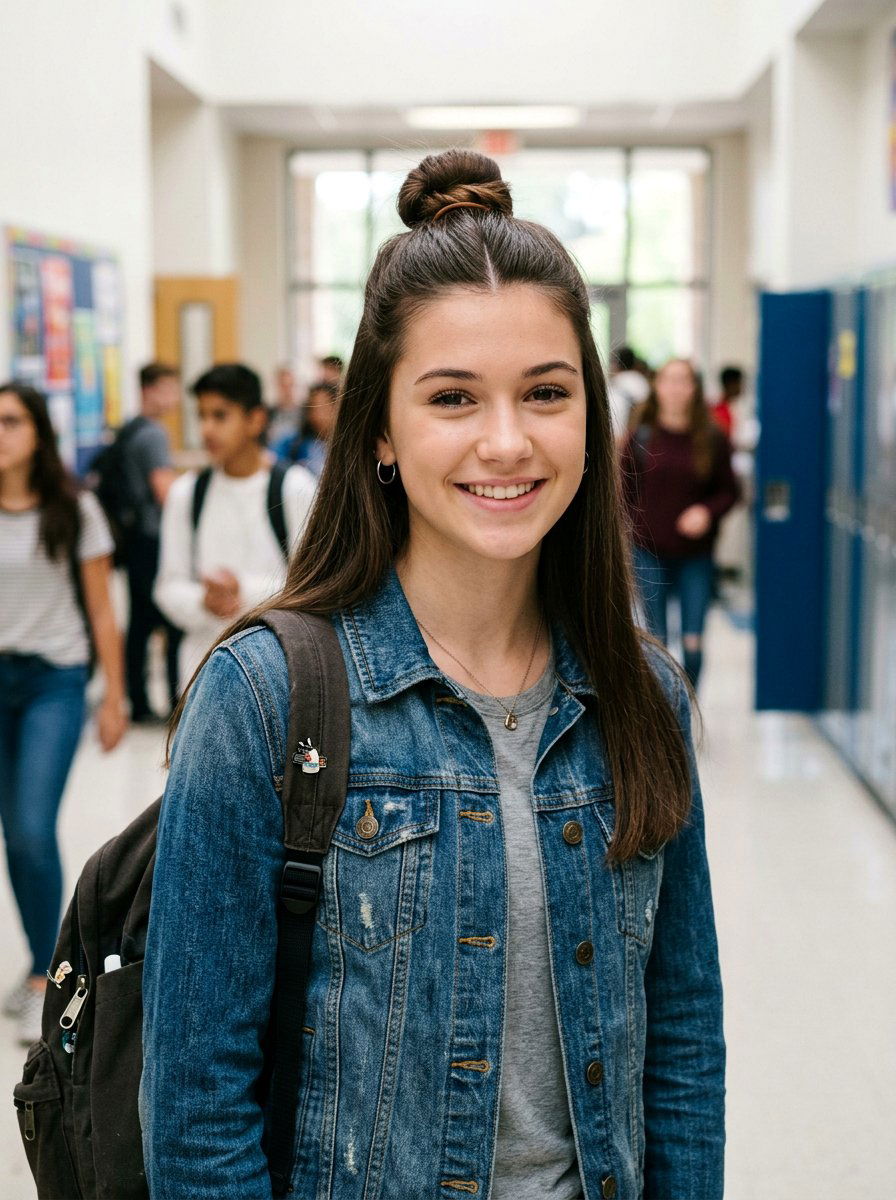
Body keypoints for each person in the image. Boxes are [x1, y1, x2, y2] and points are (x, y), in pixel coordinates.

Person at [141, 151, 725, 1200]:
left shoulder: (644, 697)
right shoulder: (264, 698)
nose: (505, 441)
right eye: (452, 396)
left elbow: (679, 1044)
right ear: (379, 429)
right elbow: (195, 1110)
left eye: (545, 393)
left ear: (590, 417)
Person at [0, 382, 127, 1044]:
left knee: (29, 828)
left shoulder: (75, 508)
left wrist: (115, 696)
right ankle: (34, 969)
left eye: (10, 421)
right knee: (12, 836)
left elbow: (103, 610)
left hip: (53, 680)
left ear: (38, 434)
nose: (0, 433)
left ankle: (50, 979)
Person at [153, 363, 317, 691]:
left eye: (220, 416)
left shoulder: (294, 488)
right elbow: (167, 587)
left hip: (282, 673)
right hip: (202, 674)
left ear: (255, 419)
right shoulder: (187, 494)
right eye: (201, 416)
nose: (207, 429)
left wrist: (242, 592)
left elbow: (315, 585)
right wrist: (204, 601)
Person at [620, 358, 740, 687]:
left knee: (693, 642)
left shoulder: (712, 438)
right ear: (657, 387)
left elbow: (729, 492)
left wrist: (706, 511)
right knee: (657, 642)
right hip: (648, 552)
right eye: (668, 380)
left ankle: (689, 705)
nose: (675, 388)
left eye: (683, 381)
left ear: (693, 389)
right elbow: (623, 495)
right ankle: (663, 711)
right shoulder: (641, 437)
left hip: (695, 555)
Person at [119, 363, 181, 722]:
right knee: (170, 621)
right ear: (150, 390)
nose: (174, 398)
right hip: (154, 538)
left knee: (140, 622)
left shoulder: (130, 429)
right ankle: (176, 700)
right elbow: (164, 492)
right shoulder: (154, 434)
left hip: (134, 539)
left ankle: (139, 703)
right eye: (169, 389)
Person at [273, 379, 338, 476]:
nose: (318, 415)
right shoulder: (296, 443)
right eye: (313, 408)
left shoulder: (345, 446)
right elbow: (273, 458)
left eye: (323, 408)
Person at [607, 345, 650, 439]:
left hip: (619, 432)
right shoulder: (639, 380)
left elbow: (639, 410)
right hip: (620, 432)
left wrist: (629, 431)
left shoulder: (631, 381)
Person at [266, 363, 301, 447]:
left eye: (290, 385)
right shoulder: (268, 413)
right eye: (283, 386)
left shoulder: (304, 414)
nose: (287, 390)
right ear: (276, 386)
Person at [711, 365, 744, 438]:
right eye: (739, 383)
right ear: (731, 384)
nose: (741, 387)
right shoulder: (719, 411)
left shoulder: (734, 407)